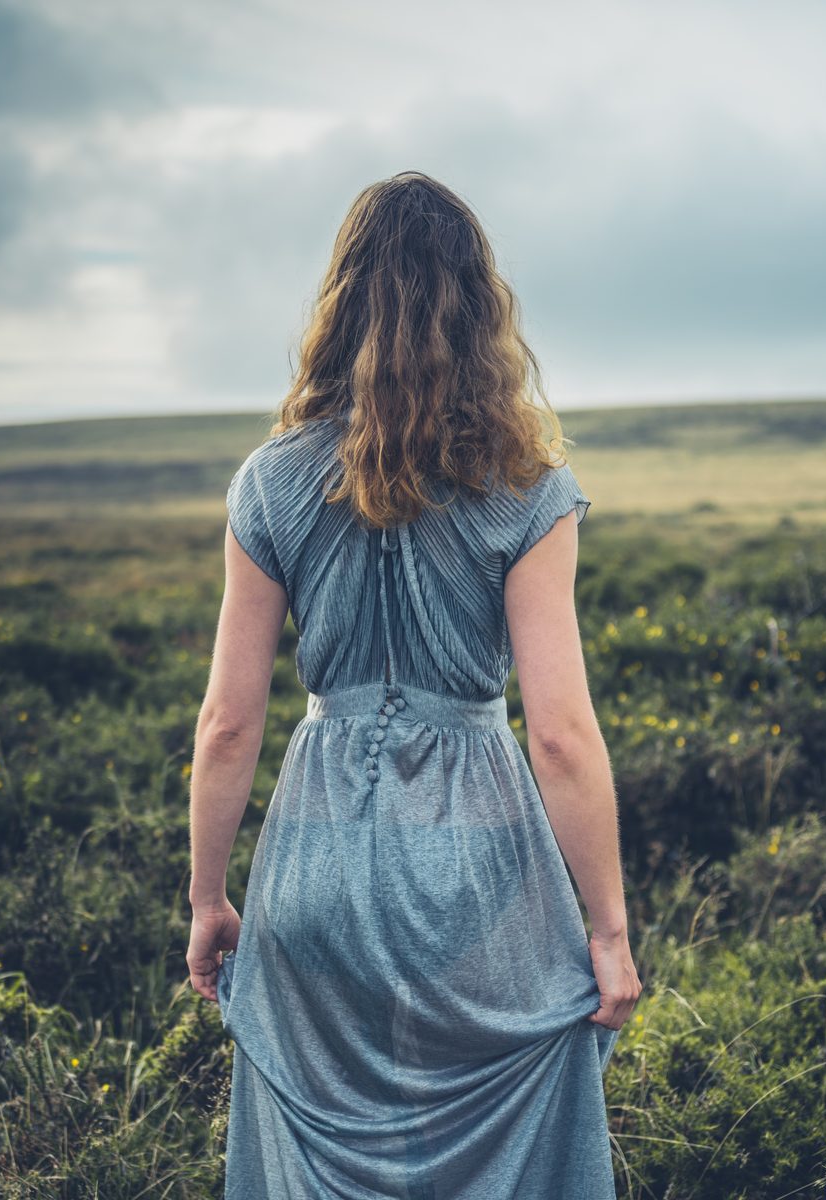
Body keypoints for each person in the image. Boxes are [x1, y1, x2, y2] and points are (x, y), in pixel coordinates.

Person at [185, 170, 641, 1198]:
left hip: (314, 869)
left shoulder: (269, 482)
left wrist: (210, 897)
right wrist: (607, 934)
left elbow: (226, 724)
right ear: (481, 314)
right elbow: (560, 734)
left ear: (341, 302)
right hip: (482, 875)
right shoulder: (530, 491)